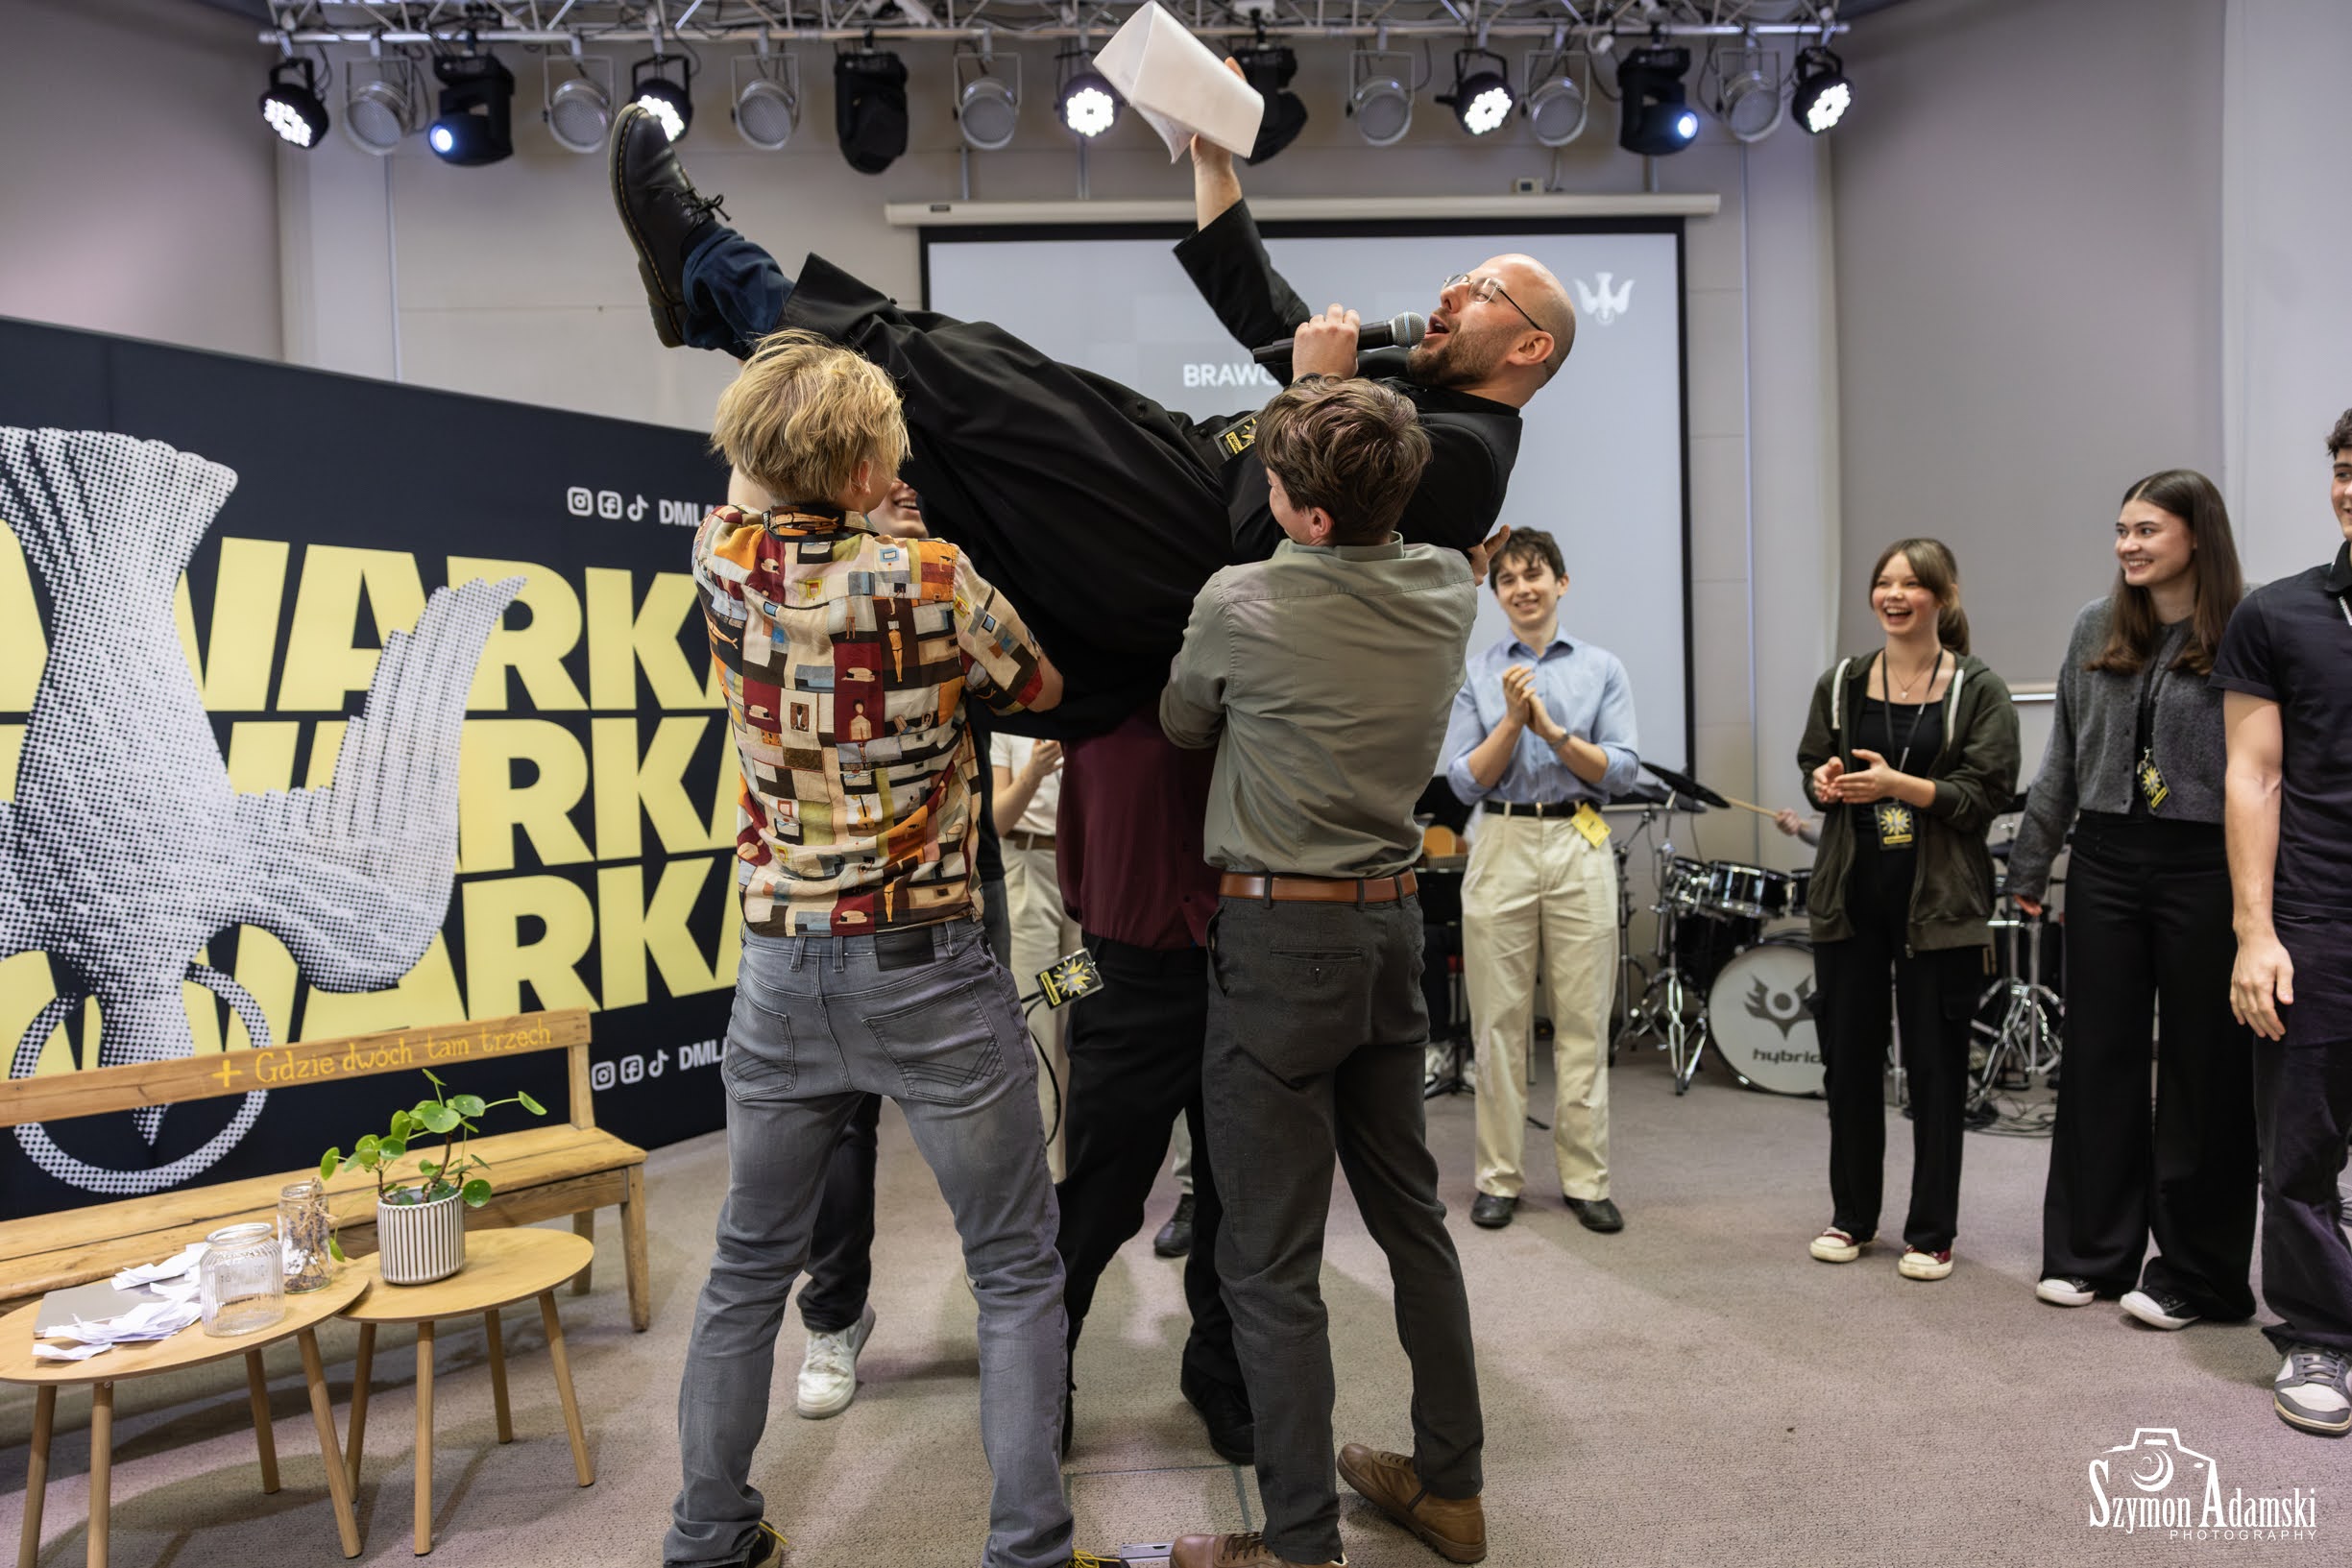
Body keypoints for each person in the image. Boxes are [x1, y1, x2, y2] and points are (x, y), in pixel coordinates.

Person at [606, 96, 1564, 730]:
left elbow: (1305, 526)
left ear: (1529, 348)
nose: (1451, 292)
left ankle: (710, 266)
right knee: (939, 415)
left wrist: (1314, 390)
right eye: (1461, 275)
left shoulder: (1469, 459)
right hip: (1183, 467)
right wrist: (1213, 161)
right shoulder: (1424, 384)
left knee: (958, 379)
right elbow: (1276, 326)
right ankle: (713, 304)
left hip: (1192, 535)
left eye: (1482, 291)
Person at [667, 332, 1090, 1568]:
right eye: (888, 451)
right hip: (929, 967)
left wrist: (788, 417)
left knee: (747, 1268)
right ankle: (1026, 1548)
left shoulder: (722, 562)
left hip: (781, 968)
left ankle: (706, 1534)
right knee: (1012, 1266)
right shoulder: (936, 578)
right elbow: (1043, 687)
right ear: (864, 471)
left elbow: (750, 475)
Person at [1161, 373, 1491, 1568]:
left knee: (1267, 1261)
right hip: (1393, 932)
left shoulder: (1238, 597)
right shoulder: (1449, 585)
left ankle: (1297, 1543)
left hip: (1276, 943)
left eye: (1275, 483)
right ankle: (1451, 1490)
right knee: (1412, 1222)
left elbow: (1183, 721)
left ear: (1302, 513)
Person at [786, 479, 1020, 1422]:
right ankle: (834, 1317)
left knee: (986, 1110)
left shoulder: (953, 580)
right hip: (831, 895)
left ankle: (1010, 1309)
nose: (903, 484)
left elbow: (1033, 684)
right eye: (878, 472)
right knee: (840, 1126)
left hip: (959, 884)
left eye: (914, 470)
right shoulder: (796, 587)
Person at [2004, 470, 2255, 1331]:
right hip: (2106, 858)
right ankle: (2089, 1252)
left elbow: (2267, 769)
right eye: (2121, 530)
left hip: (2204, 863)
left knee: (2203, 1067)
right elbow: (2063, 758)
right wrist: (2029, 867)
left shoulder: (2248, 626)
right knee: (2098, 1057)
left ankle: (2195, 1272)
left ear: (2197, 534)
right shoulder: (2095, 623)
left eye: (2146, 529)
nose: (2127, 545)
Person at [1796, 539, 2018, 1283]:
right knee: (1848, 1065)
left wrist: (1899, 786)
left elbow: (1984, 794)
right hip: (1849, 897)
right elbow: (1811, 764)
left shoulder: (1977, 688)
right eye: (1883, 583)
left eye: (1910, 584)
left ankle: (1931, 1231)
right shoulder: (1841, 682)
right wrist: (1825, 780)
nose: (1893, 595)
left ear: (1942, 597)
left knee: (1935, 1067)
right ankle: (1851, 1216)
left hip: (1939, 902)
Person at [2213, 408, 2352, 1435]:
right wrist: (2254, 931)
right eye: (2344, 469)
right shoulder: (2278, 615)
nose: (2350, 489)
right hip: (2317, 912)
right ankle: (2322, 1333)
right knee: (2300, 1147)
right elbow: (2252, 776)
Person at [1439, 529, 1638, 1234]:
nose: (1521, 588)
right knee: (1498, 1022)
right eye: (1507, 580)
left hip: (1579, 836)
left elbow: (1621, 770)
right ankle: (1498, 1177)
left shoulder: (1601, 667)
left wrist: (1551, 731)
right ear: (1495, 594)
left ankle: (1586, 1179)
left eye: (1534, 575)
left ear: (1561, 582)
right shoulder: (1477, 672)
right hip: (1501, 838)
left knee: (1583, 1019)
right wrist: (1512, 722)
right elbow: (1463, 779)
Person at [991, 732, 1079, 1177]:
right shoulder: (1009, 725)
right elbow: (997, 821)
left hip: (1083, 879)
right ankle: (1047, 1180)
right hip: (1027, 874)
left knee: (1079, 1023)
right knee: (1039, 1026)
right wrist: (1034, 772)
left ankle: (1075, 1171)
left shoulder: (1084, 715)